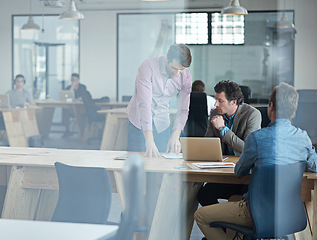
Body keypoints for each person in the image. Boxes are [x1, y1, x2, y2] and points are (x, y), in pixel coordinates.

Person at [194, 82, 317, 240]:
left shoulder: (257, 138)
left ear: (270, 106)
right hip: (290, 213)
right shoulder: (303, 138)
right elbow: (314, 166)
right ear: (294, 111)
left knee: (200, 216)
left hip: (254, 211)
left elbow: (240, 171)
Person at [197, 80, 261, 208]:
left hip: (244, 177)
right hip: (223, 171)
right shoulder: (215, 113)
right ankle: (222, 227)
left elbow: (247, 149)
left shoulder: (252, 115)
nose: (215, 104)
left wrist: (223, 129)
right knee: (203, 194)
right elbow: (208, 143)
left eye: (220, 101)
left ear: (233, 102)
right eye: (216, 100)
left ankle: (228, 223)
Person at [126, 44, 192, 157]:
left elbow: (183, 110)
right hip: (139, 122)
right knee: (136, 166)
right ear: (167, 59)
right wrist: (149, 140)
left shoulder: (185, 76)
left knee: (160, 164)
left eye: (181, 70)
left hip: (162, 124)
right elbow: (145, 103)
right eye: (174, 68)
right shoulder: (148, 67)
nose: (177, 74)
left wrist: (175, 136)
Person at [62, 73, 88, 137]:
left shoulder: (83, 87)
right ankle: (67, 130)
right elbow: (66, 98)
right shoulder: (68, 88)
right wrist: (72, 88)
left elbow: (84, 97)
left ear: (78, 80)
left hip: (82, 109)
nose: (74, 81)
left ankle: (83, 131)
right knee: (65, 110)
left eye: (75, 80)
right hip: (72, 110)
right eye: (72, 80)